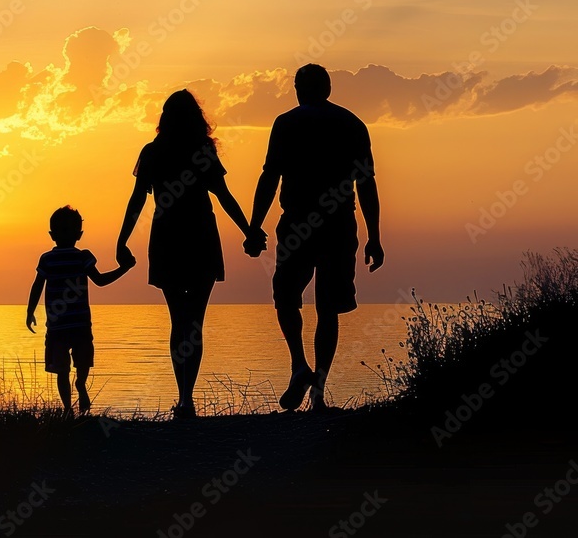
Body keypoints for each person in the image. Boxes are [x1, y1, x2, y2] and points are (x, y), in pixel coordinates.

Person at [247, 64, 384, 412]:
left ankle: (299, 365)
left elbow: (269, 177)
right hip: (338, 224)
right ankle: (317, 387)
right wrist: (374, 236)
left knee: (286, 297)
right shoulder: (352, 124)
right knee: (328, 308)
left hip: (298, 222)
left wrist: (254, 225)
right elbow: (366, 184)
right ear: (328, 88)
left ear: (297, 88)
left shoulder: (287, 123)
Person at [115, 90, 260, 418]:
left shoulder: (153, 152)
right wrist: (248, 231)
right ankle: (186, 398)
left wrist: (122, 240)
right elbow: (223, 195)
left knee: (179, 320)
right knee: (193, 322)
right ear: (197, 118)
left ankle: (184, 397)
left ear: (164, 118)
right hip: (199, 237)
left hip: (167, 237)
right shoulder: (201, 151)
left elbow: (137, 200)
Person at [26, 205, 135, 416]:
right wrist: (125, 268)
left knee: (70, 367)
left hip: (70, 327)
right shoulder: (51, 259)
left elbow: (99, 281)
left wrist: (30, 312)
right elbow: (38, 285)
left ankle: (79, 388)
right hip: (67, 327)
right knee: (65, 368)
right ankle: (68, 407)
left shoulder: (77, 257)